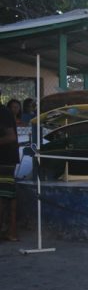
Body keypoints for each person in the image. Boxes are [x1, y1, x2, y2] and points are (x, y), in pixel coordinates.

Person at [0, 101, 19, 242]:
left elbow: (11, 137)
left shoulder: (3, 112)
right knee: (9, 195)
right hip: (6, 159)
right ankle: (10, 232)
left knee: (3, 196)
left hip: (5, 159)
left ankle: (10, 232)